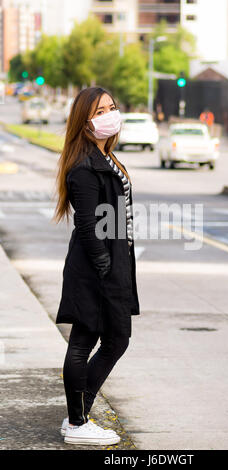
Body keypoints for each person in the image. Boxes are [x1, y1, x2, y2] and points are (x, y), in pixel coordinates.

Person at [53, 86, 140, 446]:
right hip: (96, 268)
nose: (109, 115)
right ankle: (76, 421)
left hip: (113, 262)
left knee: (110, 339)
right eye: (100, 111)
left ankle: (78, 416)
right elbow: (88, 226)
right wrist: (107, 269)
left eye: (112, 107)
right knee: (92, 340)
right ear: (84, 122)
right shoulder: (85, 167)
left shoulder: (106, 158)